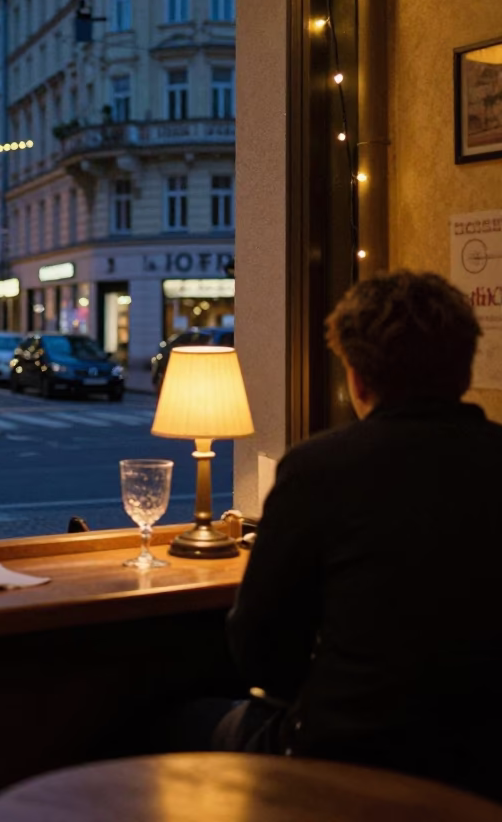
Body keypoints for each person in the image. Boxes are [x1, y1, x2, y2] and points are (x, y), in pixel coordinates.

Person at [214, 271, 502, 802]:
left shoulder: (319, 468)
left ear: (358, 378)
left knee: (177, 723)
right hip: (484, 764)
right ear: (464, 370)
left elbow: (261, 654)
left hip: (352, 756)